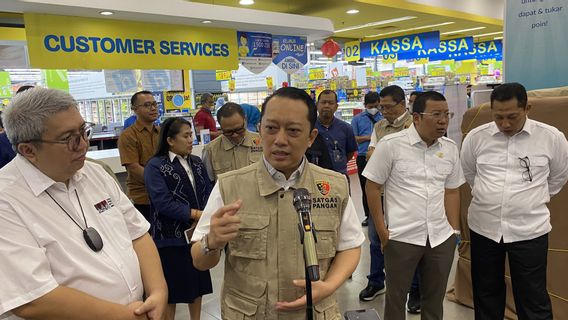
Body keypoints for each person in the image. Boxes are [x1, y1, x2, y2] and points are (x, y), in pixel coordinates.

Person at [190, 87, 364, 319]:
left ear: (311, 138)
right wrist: (211, 242)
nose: (280, 140)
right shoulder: (229, 186)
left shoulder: (334, 186)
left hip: (315, 312)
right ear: (260, 130)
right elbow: (199, 261)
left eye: (293, 131)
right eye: (271, 128)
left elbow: (350, 246)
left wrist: (330, 285)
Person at [0, 87, 167, 320]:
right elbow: (32, 298)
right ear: (28, 150)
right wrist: (125, 316)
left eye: (83, 131)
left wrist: (158, 292)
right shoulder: (6, 199)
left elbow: (137, 234)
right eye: (69, 139)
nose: (83, 144)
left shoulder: (94, 173)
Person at [461, 82, 568, 320]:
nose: (505, 124)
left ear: (527, 108)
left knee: (533, 296)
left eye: (512, 116)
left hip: (530, 230)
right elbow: (470, 174)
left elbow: (559, 176)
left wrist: (531, 200)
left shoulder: (551, 137)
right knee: (486, 293)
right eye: (498, 117)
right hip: (484, 228)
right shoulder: (476, 138)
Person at [364, 91, 464, 320]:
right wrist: (381, 231)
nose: (443, 121)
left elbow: (452, 190)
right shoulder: (391, 145)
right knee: (396, 299)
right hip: (401, 236)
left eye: (447, 115)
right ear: (416, 117)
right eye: (436, 114)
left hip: (440, 237)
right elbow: (372, 187)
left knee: (434, 299)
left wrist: (454, 230)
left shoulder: (449, 148)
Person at [144, 117, 213, 320]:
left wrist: (206, 214)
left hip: (196, 236)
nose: (191, 139)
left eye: (191, 134)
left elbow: (207, 192)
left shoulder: (197, 162)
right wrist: (196, 214)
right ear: (170, 140)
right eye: (186, 135)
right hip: (169, 237)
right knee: (171, 290)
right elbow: (162, 202)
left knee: (197, 285)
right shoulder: (155, 166)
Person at [358, 85, 419, 309]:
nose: (382, 111)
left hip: (406, 194)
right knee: (376, 239)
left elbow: (411, 159)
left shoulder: (415, 124)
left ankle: (415, 289)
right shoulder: (380, 126)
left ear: (402, 104)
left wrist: (384, 155)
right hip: (380, 192)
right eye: (380, 107)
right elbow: (370, 155)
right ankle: (376, 281)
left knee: (408, 243)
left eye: (387, 106)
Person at [118, 90, 160, 222]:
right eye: (147, 105)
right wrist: (161, 183)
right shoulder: (128, 136)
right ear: (134, 109)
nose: (153, 108)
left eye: (154, 104)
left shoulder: (162, 132)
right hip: (142, 199)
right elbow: (134, 168)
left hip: (164, 197)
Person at [201, 102, 263, 182]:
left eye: (239, 130)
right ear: (221, 127)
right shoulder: (210, 150)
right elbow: (208, 183)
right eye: (228, 132)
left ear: (245, 120)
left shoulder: (263, 142)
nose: (235, 135)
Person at [351, 91, 383, 227]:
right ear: (365, 105)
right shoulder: (357, 119)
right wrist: (368, 138)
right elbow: (353, 139)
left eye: (376, 105)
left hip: (382, 157)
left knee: (382, 188)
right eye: (371, 106)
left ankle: (381, 213)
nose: (373, 108)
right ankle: (368, 215)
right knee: (365, 187)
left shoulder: (384, 118)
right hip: (363, 157)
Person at [315, 89, 357, 177]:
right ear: (317, 105)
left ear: (336, 107)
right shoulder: (309, 127)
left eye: (330, 103)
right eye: (323, 102)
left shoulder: (346, 128)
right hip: (315, 176)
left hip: (339, 176)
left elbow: (350, 152)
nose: (326, 105)